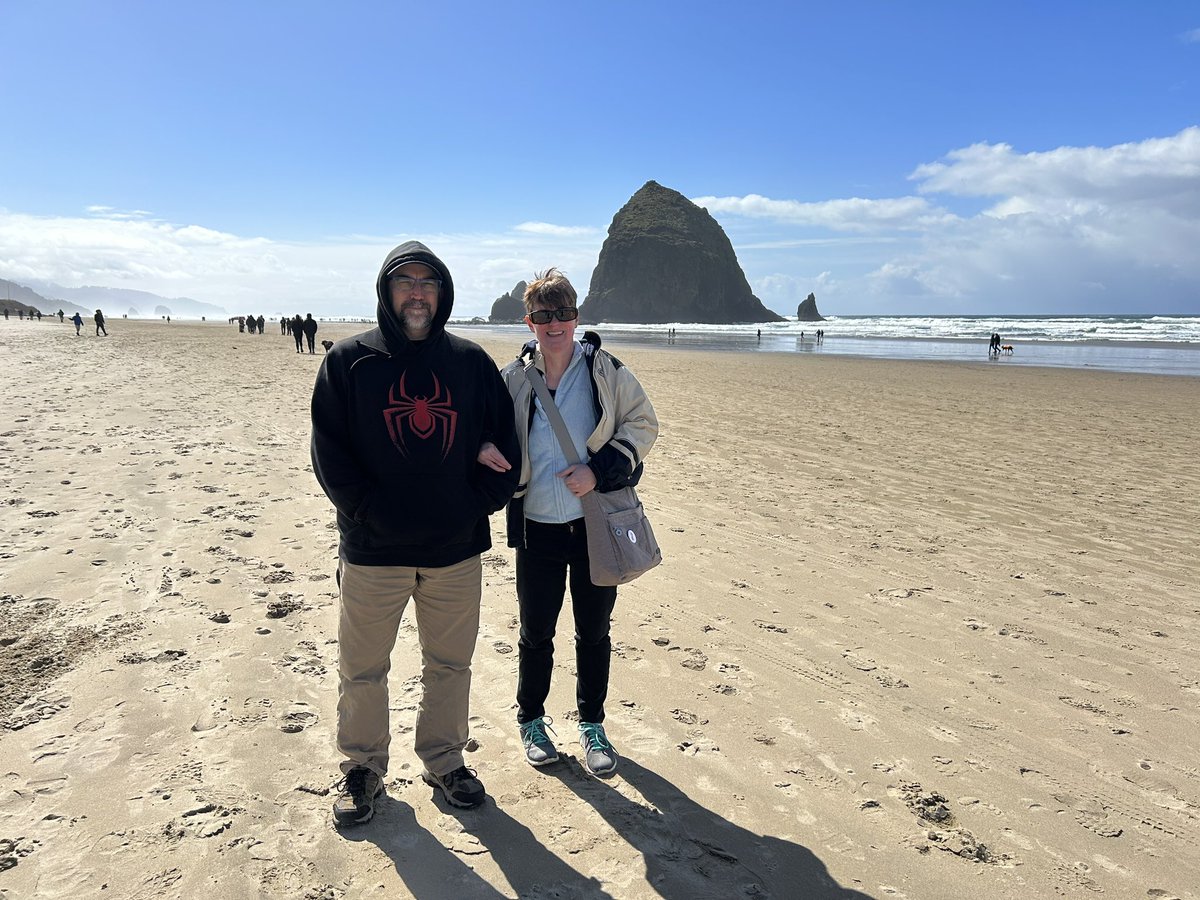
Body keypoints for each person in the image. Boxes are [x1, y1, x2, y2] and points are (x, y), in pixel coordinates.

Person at [310, 241, 520, 826]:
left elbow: (506, 445)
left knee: (450, 664)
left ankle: (445, 759)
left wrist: (473, 508)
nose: (418, 292)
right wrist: (369, 514)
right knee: (362, 667)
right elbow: (330, 455)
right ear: (387, 290)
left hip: (454, 552)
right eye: (406, 281)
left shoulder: (471, 363)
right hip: (374, 551)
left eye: (429, 282)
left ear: (443, 292)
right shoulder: (349, 362)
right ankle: (363, 767)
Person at [477, 269, 658, 778]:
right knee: (536, 633)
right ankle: (532, 720)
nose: (554, 324)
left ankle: (592, 725)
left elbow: (644, 423)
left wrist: (597, 471)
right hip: (536, 528)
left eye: (563, 314)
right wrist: (484, 447)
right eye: (543, 316)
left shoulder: (606, 370)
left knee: (593, 632)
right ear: (529, 321)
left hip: (593, 527)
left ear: (576, 318)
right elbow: (484, 427)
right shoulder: (513, 378)